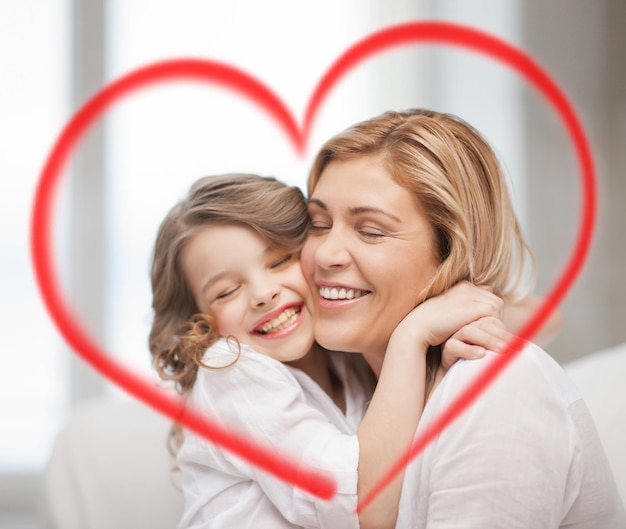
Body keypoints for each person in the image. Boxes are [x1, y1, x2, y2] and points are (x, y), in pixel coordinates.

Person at [301, 108, 626, 528]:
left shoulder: (497, 387)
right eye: (317, 223)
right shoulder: (343, 386)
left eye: (371, 230)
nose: (326, 254)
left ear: (450, 250)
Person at [148, 173, 510, 529]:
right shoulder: (230, 369)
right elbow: (362, 509)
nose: (263, 293)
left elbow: (537, 316)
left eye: (279, 261)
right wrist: (412, 335)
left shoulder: (343, 355)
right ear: (200, 324)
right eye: (226, 292)